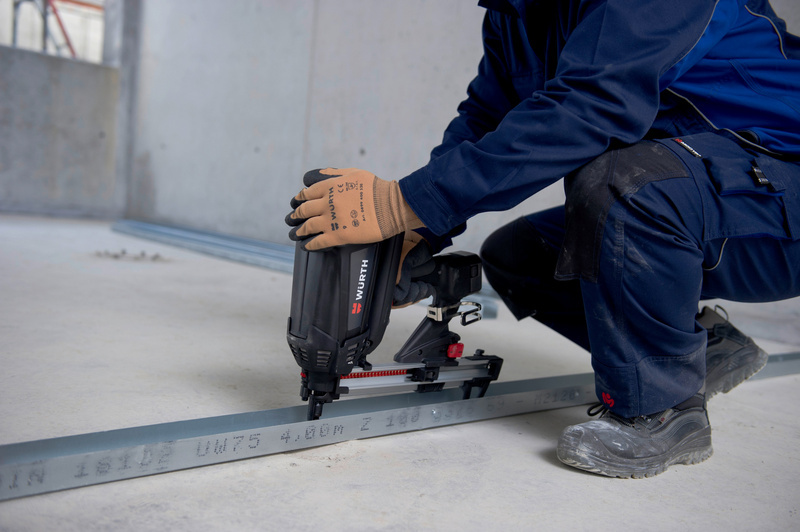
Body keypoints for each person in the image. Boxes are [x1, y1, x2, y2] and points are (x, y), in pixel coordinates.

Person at [286, 0, 800, 478]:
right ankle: (702, 350)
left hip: (779, 189)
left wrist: (400, 202)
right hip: (705, 193)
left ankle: (663, 411)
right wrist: (417, 229)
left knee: (624, 183)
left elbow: (594, 105)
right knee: (522, 255)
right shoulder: (517, 11)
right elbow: (488, 120)